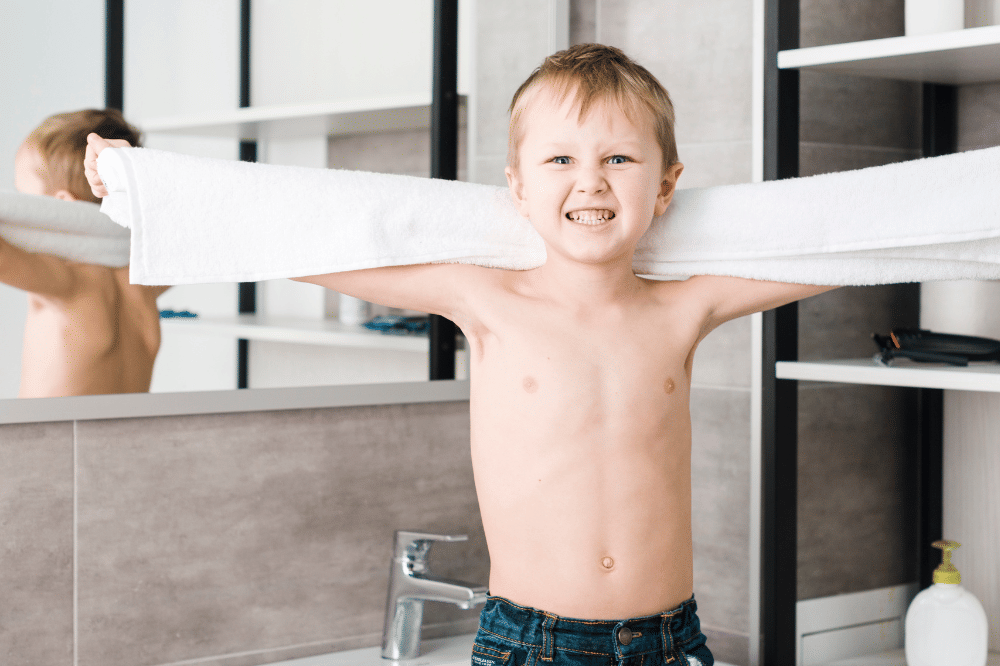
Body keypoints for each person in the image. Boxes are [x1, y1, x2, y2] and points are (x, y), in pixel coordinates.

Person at [86, 44, 835, 665]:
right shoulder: (488, 299)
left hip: (674, 642)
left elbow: (845, 244)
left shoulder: (684, 308)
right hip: (531, 643)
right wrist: (148, 185)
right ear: (515, 186)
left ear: (666, 184)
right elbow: (304, 236)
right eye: (560, 160)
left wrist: (954, 210)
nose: (590, 180)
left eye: (618, 158)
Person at [2, 109, 169, 397]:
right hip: (129, 440)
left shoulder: (67, 281)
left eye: (22, 195)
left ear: (60, 208)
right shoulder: (146, 279)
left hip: (53, 441)